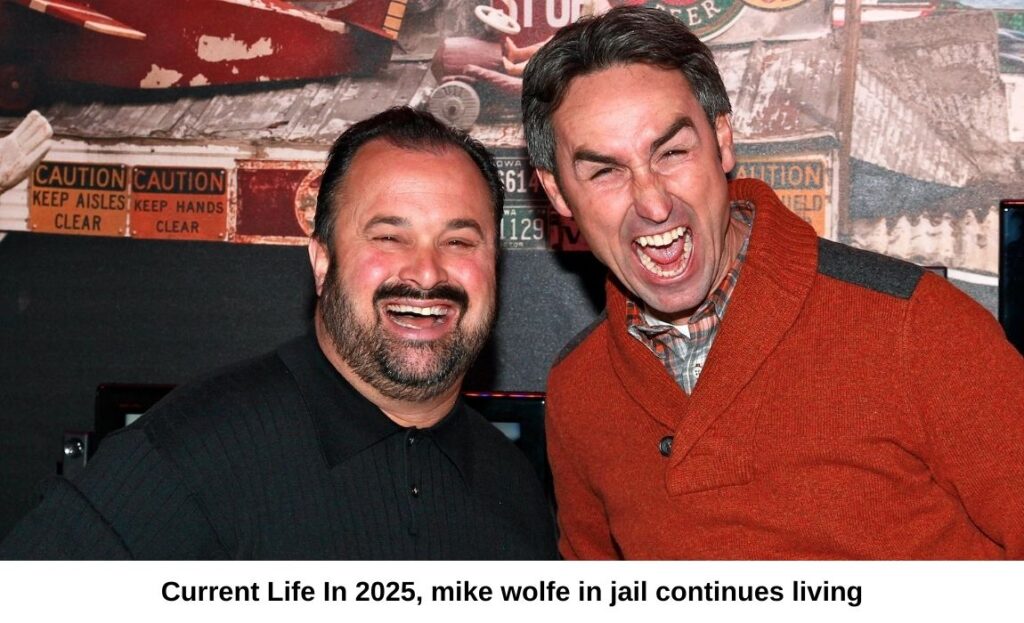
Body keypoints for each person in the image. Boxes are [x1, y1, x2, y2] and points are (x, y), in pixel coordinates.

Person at [521, 7, 1024, 559]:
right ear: (558, 192)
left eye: (672, 153)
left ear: (722, 141)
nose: (653, 202)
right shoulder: (578, 390)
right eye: (605, 171)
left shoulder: (915, 326)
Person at [0, 107, 557, 560]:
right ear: (322, 264)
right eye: (389, 237)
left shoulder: (515, 484)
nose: (427, 273)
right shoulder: (191, 450)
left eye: (459, 242)